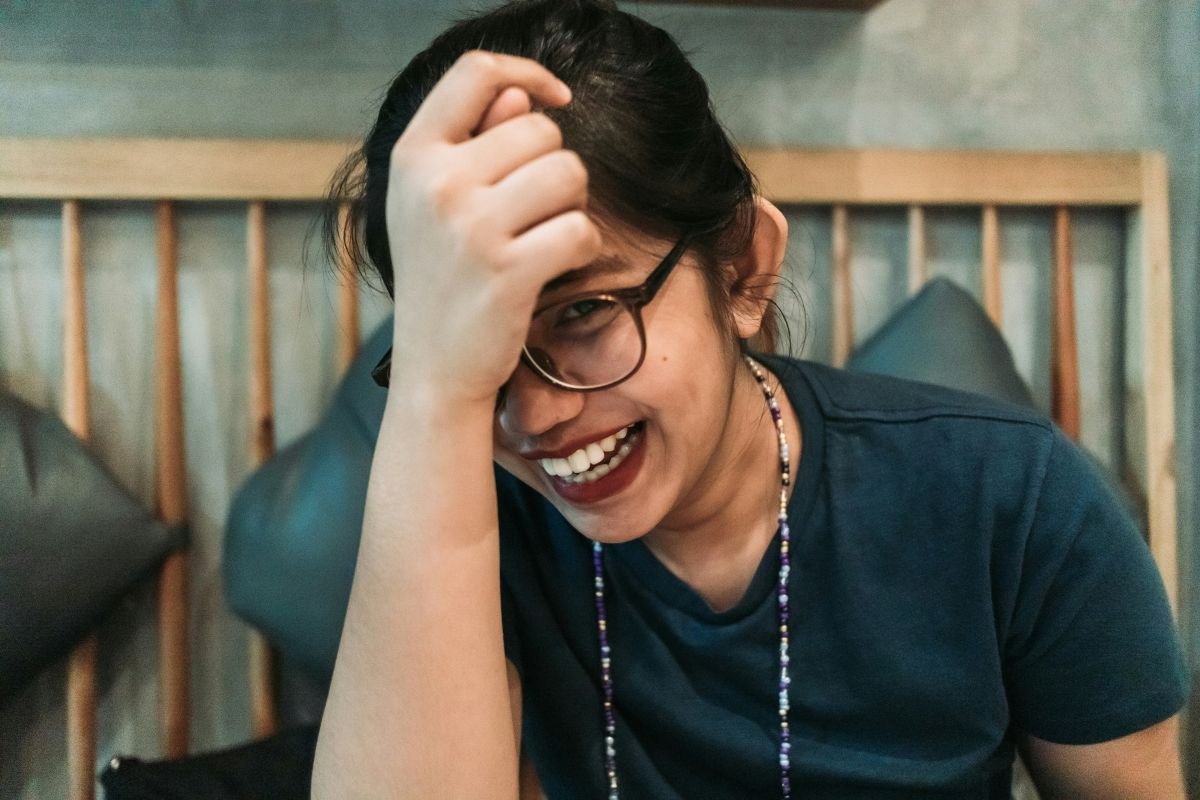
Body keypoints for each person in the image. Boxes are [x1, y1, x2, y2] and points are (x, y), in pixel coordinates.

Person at [310, 2, 1189, 798]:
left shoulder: (1011, 500)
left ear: (741, 265)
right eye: (476, 349)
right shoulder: (461, 525)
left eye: (583, 314)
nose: (534, 417)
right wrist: (433, 380)